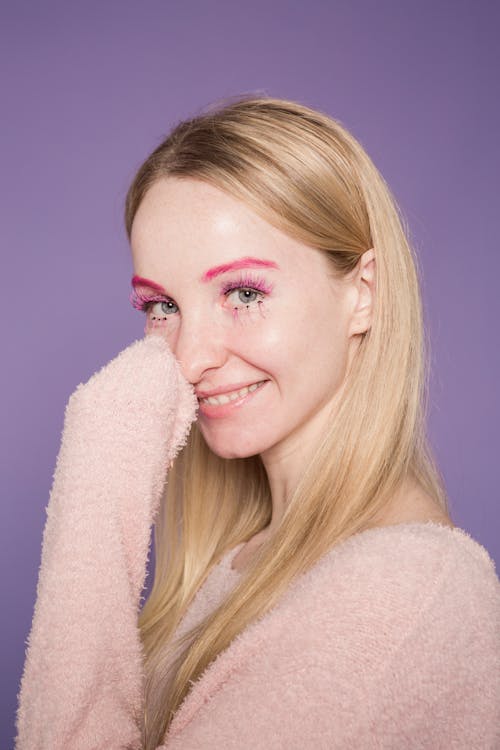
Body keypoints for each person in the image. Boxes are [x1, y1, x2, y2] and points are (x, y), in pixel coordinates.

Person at [15, 95, 500, 749]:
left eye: (244, 294)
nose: (188, 358)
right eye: (162, 306)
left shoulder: (405, 589)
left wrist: (98, 474)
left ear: (364, 293)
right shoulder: (246, 561)